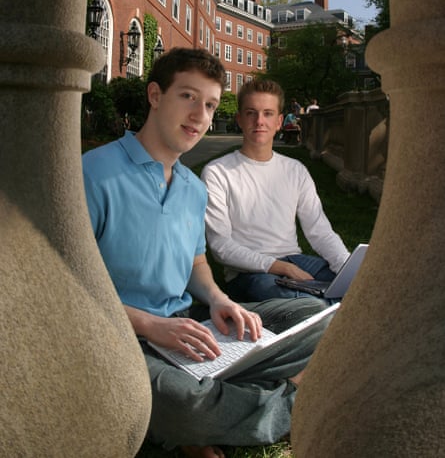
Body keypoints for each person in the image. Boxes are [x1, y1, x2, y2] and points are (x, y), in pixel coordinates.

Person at [82, 48, 333, 458]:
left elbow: (197, 262)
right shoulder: (94, 173)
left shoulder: (193, 188)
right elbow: (69, 288)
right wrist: (150, 326)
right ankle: (304, 404)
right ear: (155, 95)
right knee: (186, 406)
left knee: (312, 318)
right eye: (188, 96)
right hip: (121, 336)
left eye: (211, 104)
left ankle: (219, 397)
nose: (200, 114)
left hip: (191, 324)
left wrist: (219, 300)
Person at [201, 79, 349, 304]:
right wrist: (280, 267)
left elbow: (320, 231)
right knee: (307, 305)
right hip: (249, 272)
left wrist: (350, 271)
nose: (259, 121)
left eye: (268, 113)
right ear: (239, 119)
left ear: (280, 121)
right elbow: (221, 247)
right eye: (251, 113)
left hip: (297, 260)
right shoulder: (217, 172)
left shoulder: (295, 170)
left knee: (357, 289)